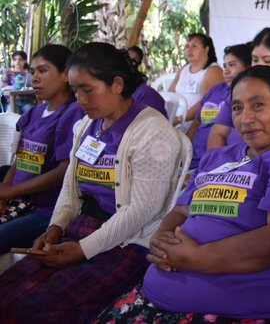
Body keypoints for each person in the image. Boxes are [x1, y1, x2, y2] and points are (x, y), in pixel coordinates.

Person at [95, 66, 270, 323]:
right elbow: (180, 210)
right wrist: (160, 240)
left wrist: (196, 258)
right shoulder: (221, 156)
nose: (246, 118)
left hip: (226, 309)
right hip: (153, 296)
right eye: (237, 108)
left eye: (258, 105)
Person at [0, 42, 187, 323]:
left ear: (117, 84)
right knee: (7, 293)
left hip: (127, 243)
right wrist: (56, 227)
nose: (80, 100)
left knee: (37, 308)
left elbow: (140, 211)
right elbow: (70, 186)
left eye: (88, 89)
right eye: (76, 91)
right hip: (79, 230)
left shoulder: (153, 133)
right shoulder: (88, 126)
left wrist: (83, 249)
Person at [0, 45, 84, 253]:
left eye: (43, 71)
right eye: (33, 72)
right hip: (17, 200)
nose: (35, 78)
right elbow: (19, 160)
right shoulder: (32, 114)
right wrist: (4, 194)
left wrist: (11, 190)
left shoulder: (72, 114)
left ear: (66, 74)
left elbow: (64, 170)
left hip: (46, 209)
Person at [185, 43, 250, 169]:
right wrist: (185, 152)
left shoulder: (245, 95)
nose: (226, 71)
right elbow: (197, 122)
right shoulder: (216, 90)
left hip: (219, 165)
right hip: (192, 161)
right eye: (224, 66)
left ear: (248, 67)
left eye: (232, 65)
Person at [168, 33, 225, 122]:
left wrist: (181, 119)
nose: (189, 50)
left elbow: (206, 103)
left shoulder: (213, 70)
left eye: (194, 46)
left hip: (195, 122)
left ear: (206, 49)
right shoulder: (183, 70)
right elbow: (170, 95)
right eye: (187, 46)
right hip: (175, 120)